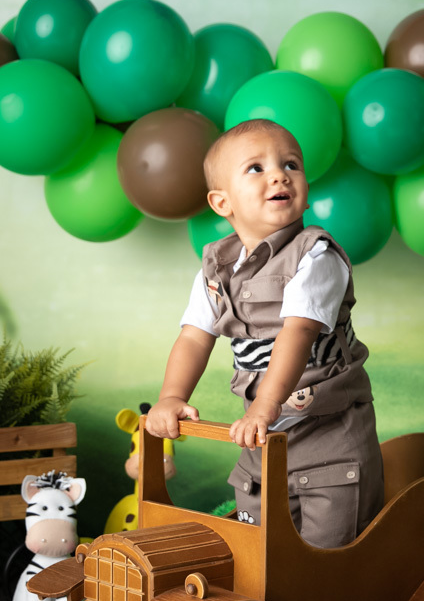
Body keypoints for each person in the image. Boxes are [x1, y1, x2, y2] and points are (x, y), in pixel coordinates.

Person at [145, 119, 383, 548]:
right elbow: (194, 337)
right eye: (256, 168)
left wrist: (264, 406)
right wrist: (172, 396)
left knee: (327, 556)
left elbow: (298, 333)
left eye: (291, 164)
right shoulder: (216, 269)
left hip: (329, 439)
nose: (279, 175)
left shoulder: (316, 256)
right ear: (222, 202)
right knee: (256, 548)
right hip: (264, 444)